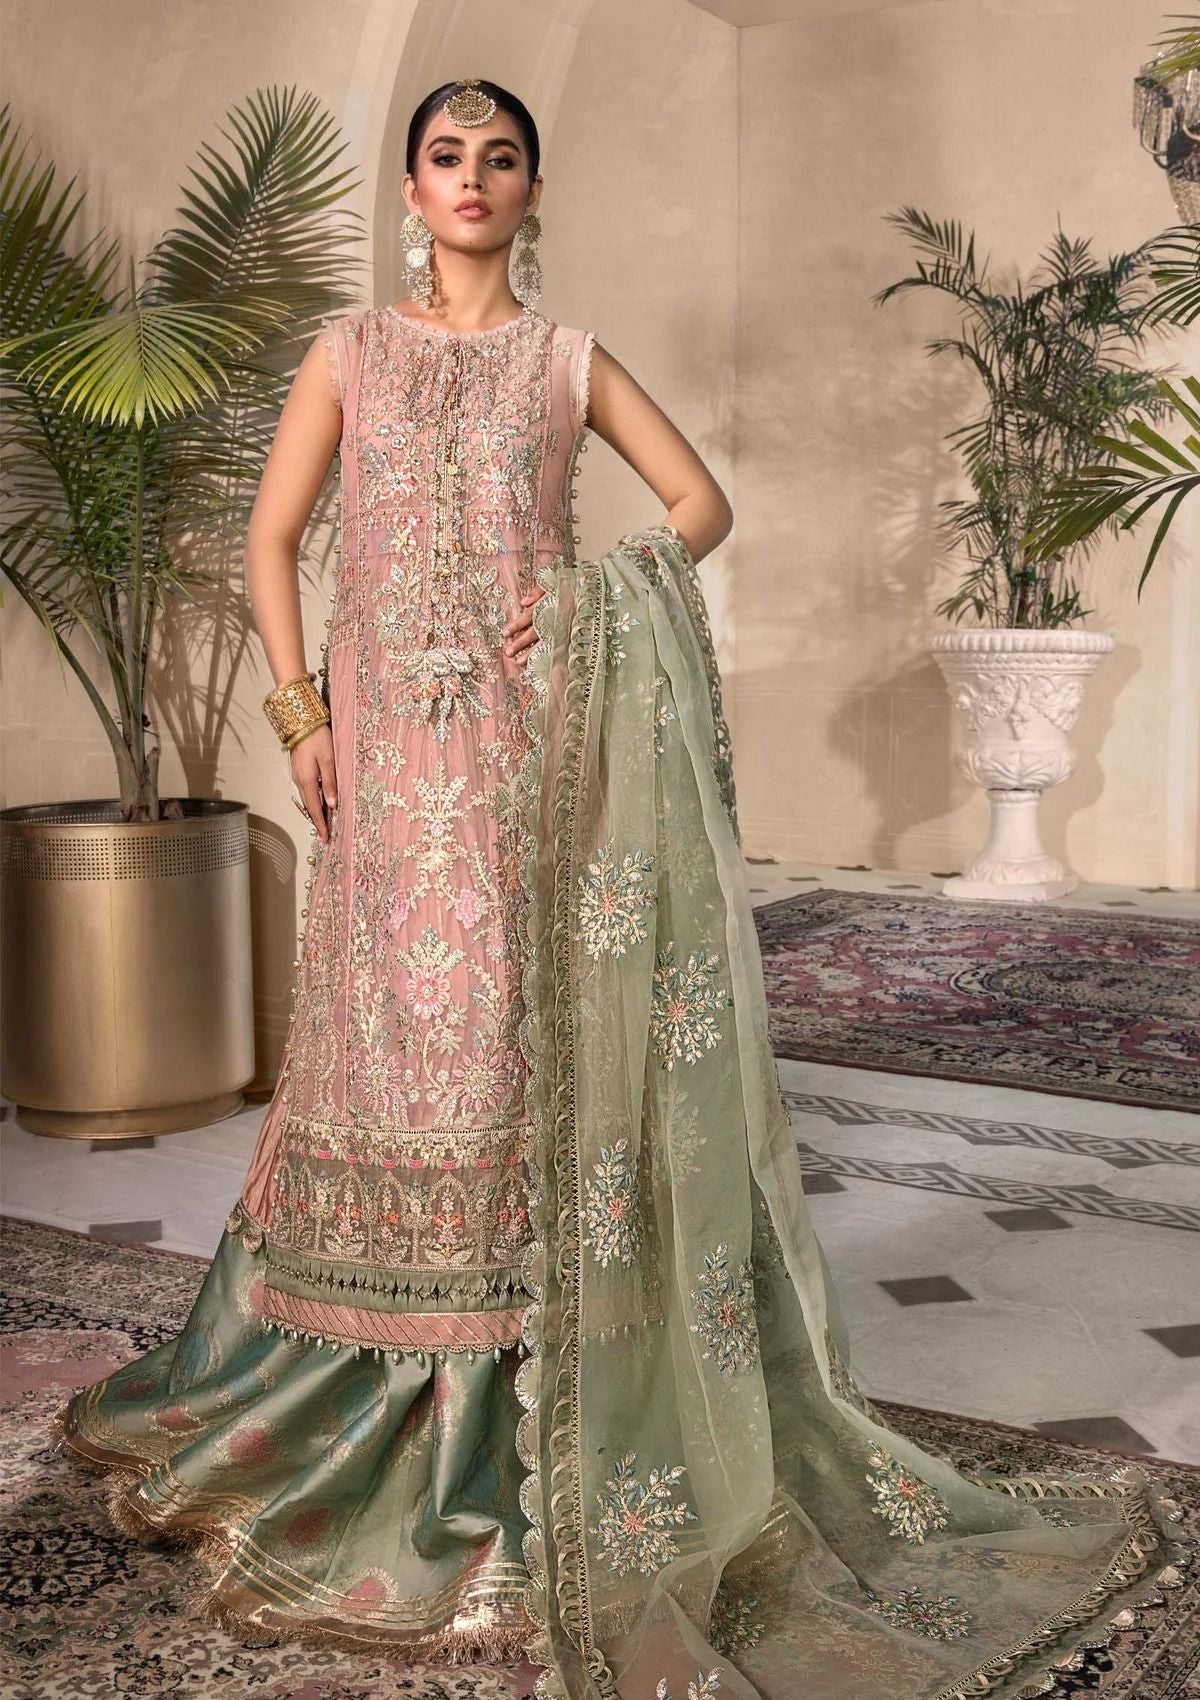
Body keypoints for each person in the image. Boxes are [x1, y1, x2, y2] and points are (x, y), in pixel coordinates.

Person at [58, 77, 1192, 1700]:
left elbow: (701, 504)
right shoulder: (348, 353)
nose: (472, 178)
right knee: (392, 1050)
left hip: (536, 748)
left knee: (513, 1049)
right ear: (411, 188)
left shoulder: (566, 360)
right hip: (382, 754)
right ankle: (362, 1375)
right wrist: (302, 717)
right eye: (445, 157)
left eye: (500, 158)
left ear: (534, 191)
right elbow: (271, 539)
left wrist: (600, 591)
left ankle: (522, 1386)